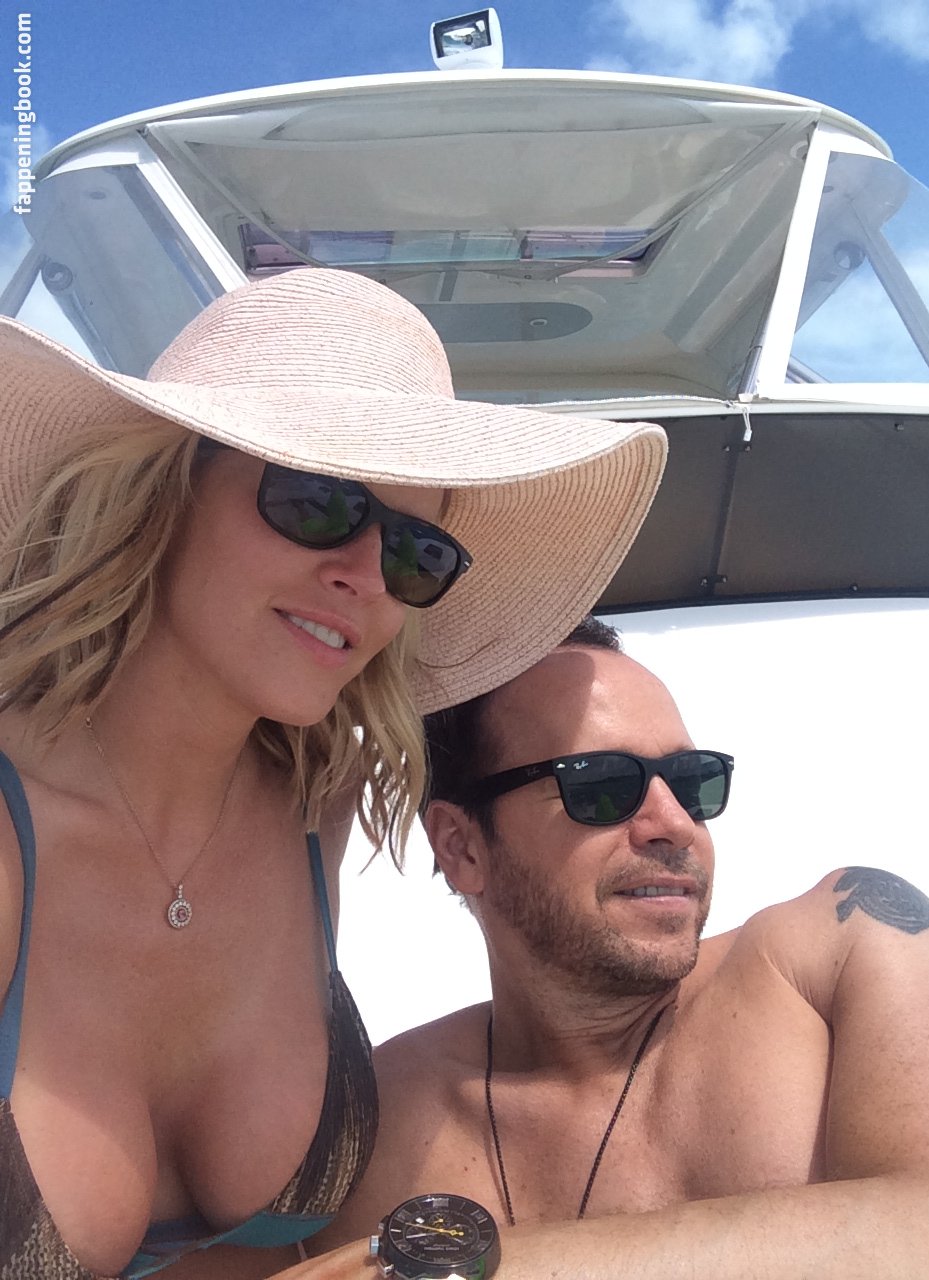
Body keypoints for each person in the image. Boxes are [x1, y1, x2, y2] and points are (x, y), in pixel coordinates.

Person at [0, 271, 668, 1279]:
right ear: (167, 489)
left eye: (414, 550)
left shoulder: (321, 805)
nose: (364, 576)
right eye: (318, 503)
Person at [307, 616, 929, 1278]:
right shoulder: (373, 1127)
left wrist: (466, 1265)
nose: (675, 824)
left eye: (692, 781)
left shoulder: (842, 949)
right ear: (462, 846)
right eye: (601, 785)